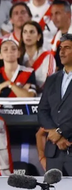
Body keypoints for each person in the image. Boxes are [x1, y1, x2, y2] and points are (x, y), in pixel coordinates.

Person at [38, 34, 72, 175]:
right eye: (60, 48)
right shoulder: (52, 79)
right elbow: (42, 110)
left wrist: (60, 133)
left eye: (67, 48)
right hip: (54, 151)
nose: (62, 52)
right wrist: (54, 133)